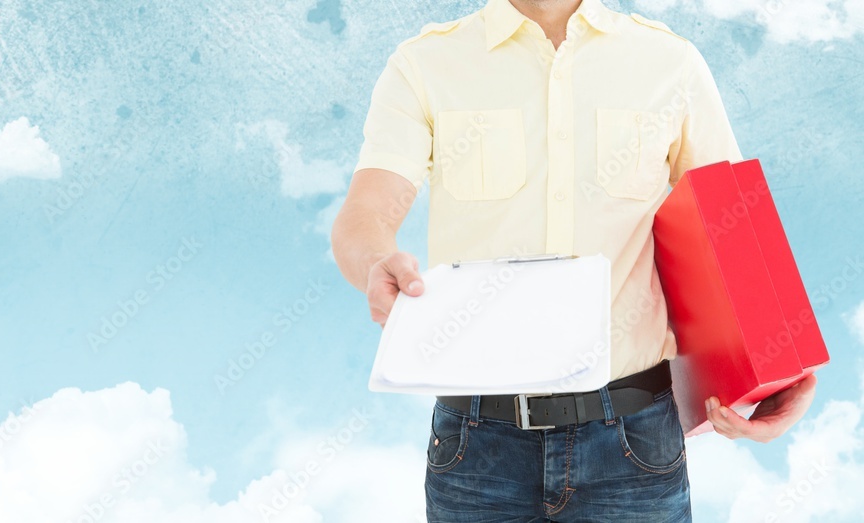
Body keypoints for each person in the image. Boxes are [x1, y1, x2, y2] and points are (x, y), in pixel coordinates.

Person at [330, 0, 818, 520]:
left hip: (634, 442)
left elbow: (738, 231)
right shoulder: (425, 62)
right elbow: (365, 213)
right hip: (477, 448)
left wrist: (784, 374)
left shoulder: (668, 61)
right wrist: (375, 261)